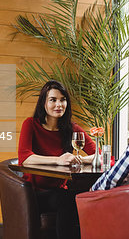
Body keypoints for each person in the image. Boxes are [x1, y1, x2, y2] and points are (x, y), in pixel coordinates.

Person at [18, 80, 96, 239]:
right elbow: (24, 158)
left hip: (62, 190)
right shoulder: (30, 124)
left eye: (63, 99)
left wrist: (80, 159)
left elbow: (99, 155)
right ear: (44, 103)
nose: (59, 104)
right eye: (53, 100)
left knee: (86, 196)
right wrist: (58, 160)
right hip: (36, 193)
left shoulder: (72, 129)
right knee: (67, 199)